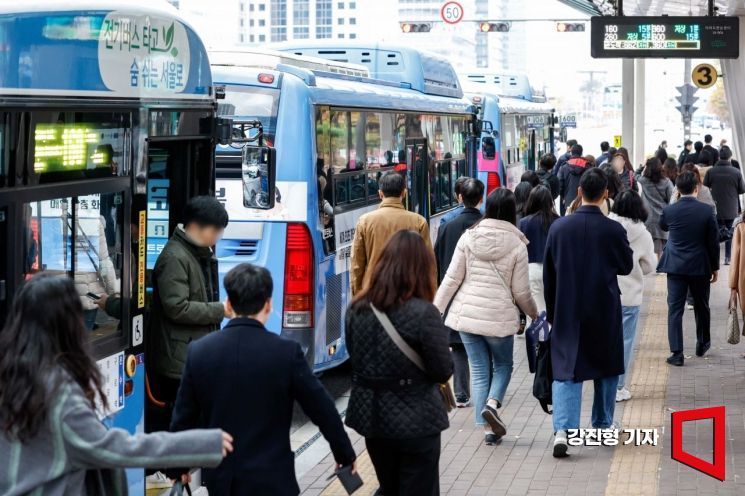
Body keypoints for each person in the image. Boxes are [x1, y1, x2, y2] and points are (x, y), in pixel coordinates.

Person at [0, 274, 232, 495]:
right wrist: (199, 444)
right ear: (70, 324)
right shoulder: (59, 393)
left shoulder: (11, 378)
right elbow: (116, 449)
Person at [170, 264, 355, 495]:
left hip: (223, 482)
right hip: (273, 480)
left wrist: (177, 467)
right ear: (268, 305)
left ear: (228, 304)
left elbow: (182, 418)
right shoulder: (285, 353)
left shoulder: (200, 352)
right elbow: (322, 409)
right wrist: (344, 453)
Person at [345, 231, 452, 496]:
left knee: (389, 487)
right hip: (417, 419)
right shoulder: (424, 313)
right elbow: (443, 369)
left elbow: (354, 357)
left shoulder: (357, 309)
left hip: (373, 419)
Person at [434, 189, 538, 446]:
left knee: (479, 370)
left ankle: (487, 430)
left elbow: (452, 278)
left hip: (467, 316)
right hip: (499, 319)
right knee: (502, 366)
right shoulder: (517, 244)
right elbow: (521, 291)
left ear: (488, 207)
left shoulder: (468, 237)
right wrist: (535, 313)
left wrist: (435, 310)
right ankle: (492, 405)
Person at [543, 168, 633, 457]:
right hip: (603, 307)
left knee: (566, 368)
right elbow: (626, 267)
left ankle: (563, 431)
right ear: (606, 193)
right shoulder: (614, 229)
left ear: (579, 192)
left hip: (567, 309)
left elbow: (549, 275)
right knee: (606, 366)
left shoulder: (559, 228)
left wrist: (553, 313)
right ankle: (602, 425)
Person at [148, 195, 228, 431]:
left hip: (190, 353)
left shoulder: (195, 252)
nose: (217, 237)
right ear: (196, 226)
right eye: (216, 231)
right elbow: (177, 307)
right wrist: (221, 310)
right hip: (178, 359)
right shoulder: (175, 257)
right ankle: (175, 468)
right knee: (183, 423)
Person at [658, 172, 720, 366]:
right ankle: (702, 343)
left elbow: (664, 226)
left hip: (675, 266)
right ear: (697, 188)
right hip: (700, 266)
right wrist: (715, 267)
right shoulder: (707, 211)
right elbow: (713, 242)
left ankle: (677, 353)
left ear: (677, 190)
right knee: (702, 305)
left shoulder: (670, 210)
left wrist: (675, 202)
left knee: (675, 309)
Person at [434, 178, 485, 407]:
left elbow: (437, 262)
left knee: (458, 345)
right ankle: (489, 395)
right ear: (481, 198)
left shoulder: (447, 226)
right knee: (485, 346)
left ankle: (462, 394)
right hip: (484, 294)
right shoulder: (488, 226)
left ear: (460, 197)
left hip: (454, 296)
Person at [608, 191, 657, 402]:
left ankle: (605, 383)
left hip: (606, 295)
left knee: (606, 340)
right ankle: (619, 387)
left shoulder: (607, 225)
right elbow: (649, 266)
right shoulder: (642, 233)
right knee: (625, 342)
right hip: (630, 295)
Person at [351, 172, 433, 295]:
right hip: (409, 296)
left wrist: (358, 297)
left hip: (374, 295)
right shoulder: (419, 222)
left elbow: (357, 266)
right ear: (404, 193)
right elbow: (428, 266)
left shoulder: (365, 222)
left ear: (380, 194)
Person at [519, 185, 559, 317]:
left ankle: (539, 337)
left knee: (537, 313)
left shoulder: (524, 222)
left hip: (532, 270)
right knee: (553, 309)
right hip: (555, 270)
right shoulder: (558, 221)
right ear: (550, 202)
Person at [704, 146, 745, 265]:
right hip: (731, 208)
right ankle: (728, 257)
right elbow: (742, 189)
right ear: (730, 157)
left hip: (715, 208)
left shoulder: (711, 171)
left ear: (718, 157)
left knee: (715, 234)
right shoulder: (736, 172)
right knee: (730, 234)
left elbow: (705, 187)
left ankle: (715, 258)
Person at [638, 157, 674, 259]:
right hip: (662, 219)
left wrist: (642, 167)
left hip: (648, 219)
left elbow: (636, 175)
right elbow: (672, 199)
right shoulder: (666, 182)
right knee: (660, 251)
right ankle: (659, 268)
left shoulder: (642, 181)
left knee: (648, 248)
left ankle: (650, 268)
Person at [558, 144, 589, 214]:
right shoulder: (588, 166)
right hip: (585, 202)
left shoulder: (564, 167)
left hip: (568, 202)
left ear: (571, 153)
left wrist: (563, 197)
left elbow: (560, 185)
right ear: (581, 153)